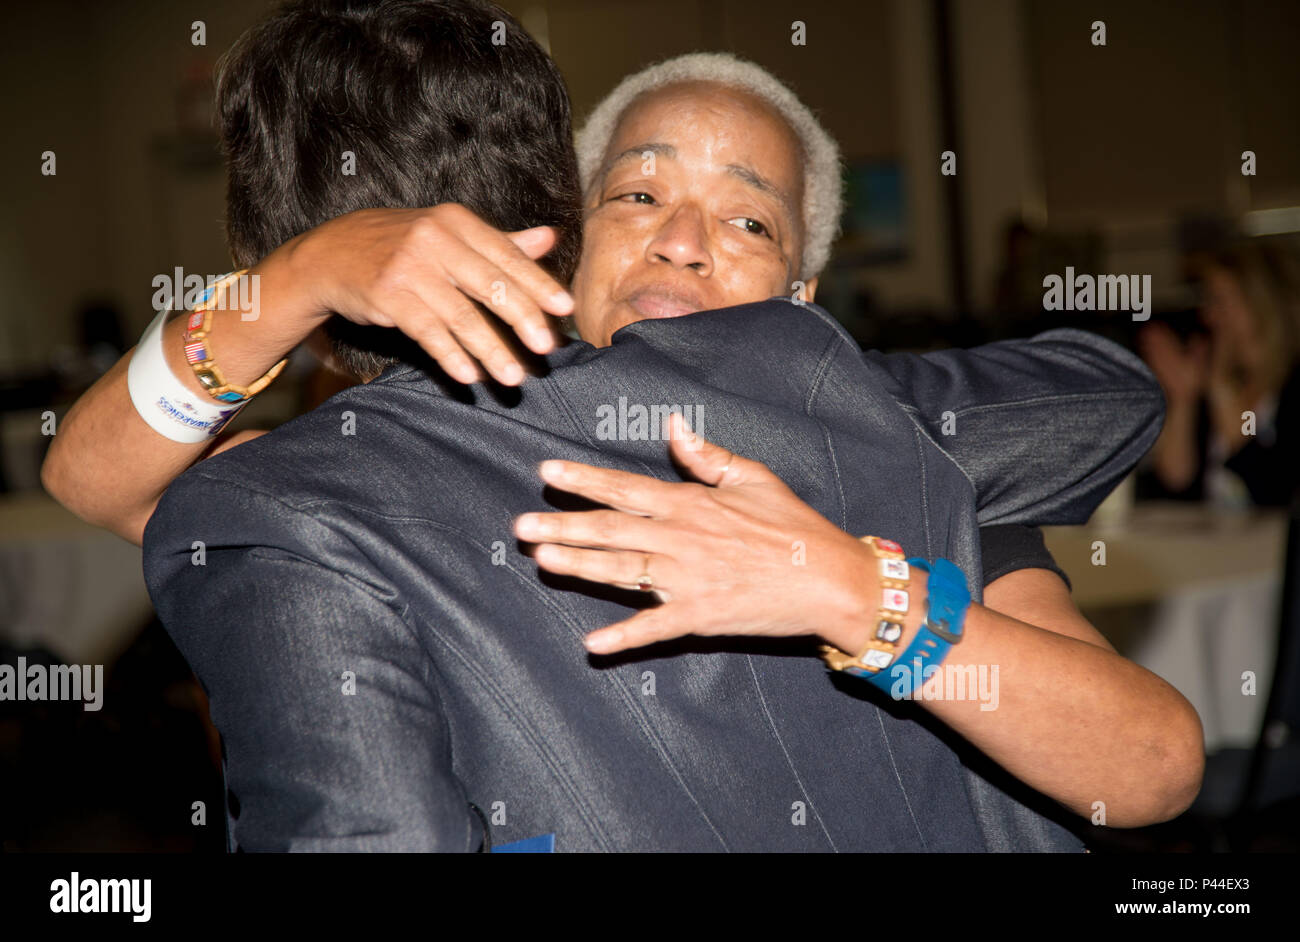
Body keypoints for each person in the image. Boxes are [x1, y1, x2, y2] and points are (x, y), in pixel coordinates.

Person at [44, 2, 1199, 850]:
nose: (684, 239)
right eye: (638, 195)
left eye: (748, 219)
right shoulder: (371, 483)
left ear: (805, 303)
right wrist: (296, 281)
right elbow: (102, 484)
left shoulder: (888, 444)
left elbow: (1149, 765)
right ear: (553, 232)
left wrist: (852, 591)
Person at [1139, 239, 1300, 507]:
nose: (1208, 316)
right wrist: (1183, 398)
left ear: (1262, 303)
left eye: (1220, 301)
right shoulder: (1214, 372)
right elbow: (1175, 482)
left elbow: (1274, 491)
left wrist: (1222, 391)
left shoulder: (1292, 385)